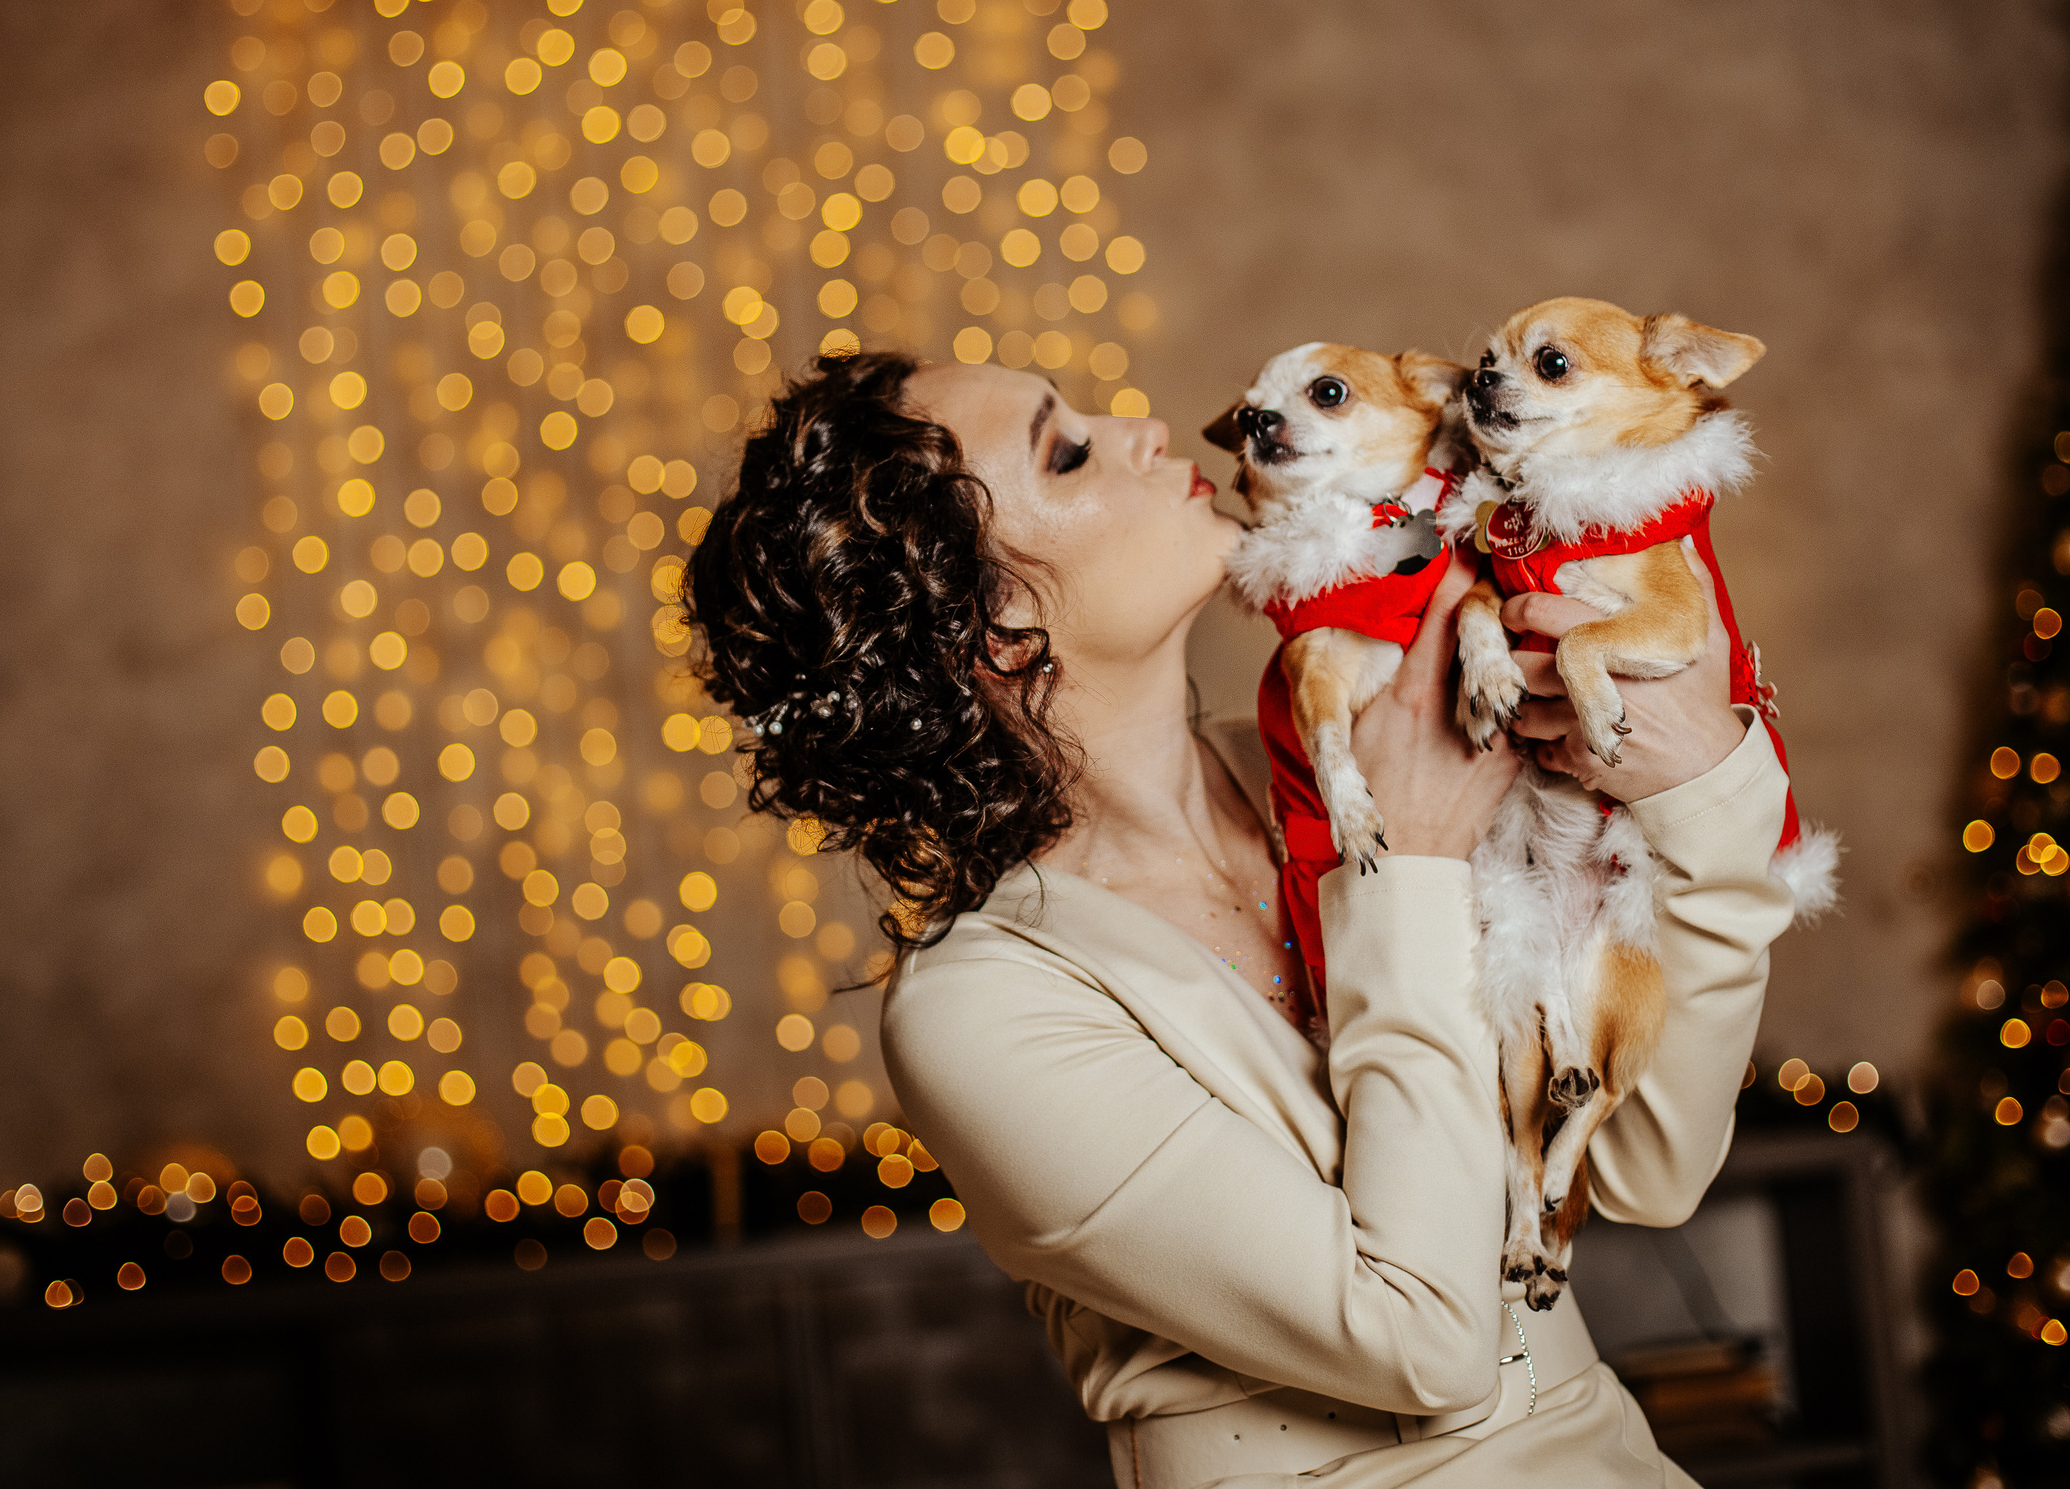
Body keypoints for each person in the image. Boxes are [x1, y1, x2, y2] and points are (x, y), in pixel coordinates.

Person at [685, 350, 1796, 1487]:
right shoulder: (984, 1010)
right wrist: (1405, 868)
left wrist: (1703, 783)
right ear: (999, 628)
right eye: (1066, 451)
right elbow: (1424, 1345)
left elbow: (1653, 1163)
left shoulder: (1330, 769)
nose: (1141, 428)